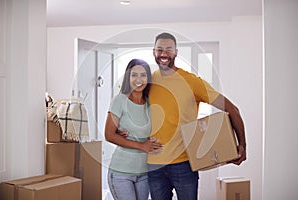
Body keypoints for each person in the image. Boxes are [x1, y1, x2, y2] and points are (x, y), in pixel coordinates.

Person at [147, 32, 247, 200]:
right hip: (154, 166)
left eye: (169, 49)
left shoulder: (192, 82)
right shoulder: (148, 81)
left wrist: (242, 145)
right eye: (160, 49)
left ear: (176, 52)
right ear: (153, 52)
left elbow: (233, 109)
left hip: (184, 164)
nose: (164, 54)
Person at [104, 58, 163, 200]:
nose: (139, 79)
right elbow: (109, 135)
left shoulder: (151, 103)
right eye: (134, 75)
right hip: (121, 173)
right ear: (128, 77)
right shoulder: (120, 100)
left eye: (143, 75)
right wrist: (142, 145)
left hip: (144, 172)